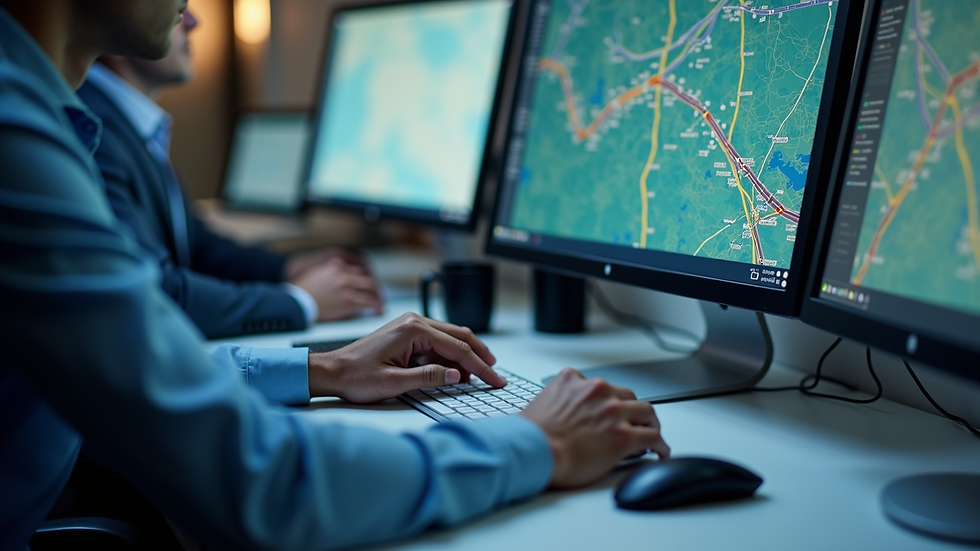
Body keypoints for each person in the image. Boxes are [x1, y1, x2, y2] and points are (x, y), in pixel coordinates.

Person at [0, 2, 670, 551]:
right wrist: (537, 441)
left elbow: (124, 365)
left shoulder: (37, 112)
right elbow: (262, 482)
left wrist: (324, 366)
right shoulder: (13, 134)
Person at [74, 7, 383, 339]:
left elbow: (197, 243)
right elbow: (156, 291)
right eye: (178, 10)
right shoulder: (91, 128)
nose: (192, 22)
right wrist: (302, 301)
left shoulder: (126, 122)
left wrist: (287, 269)